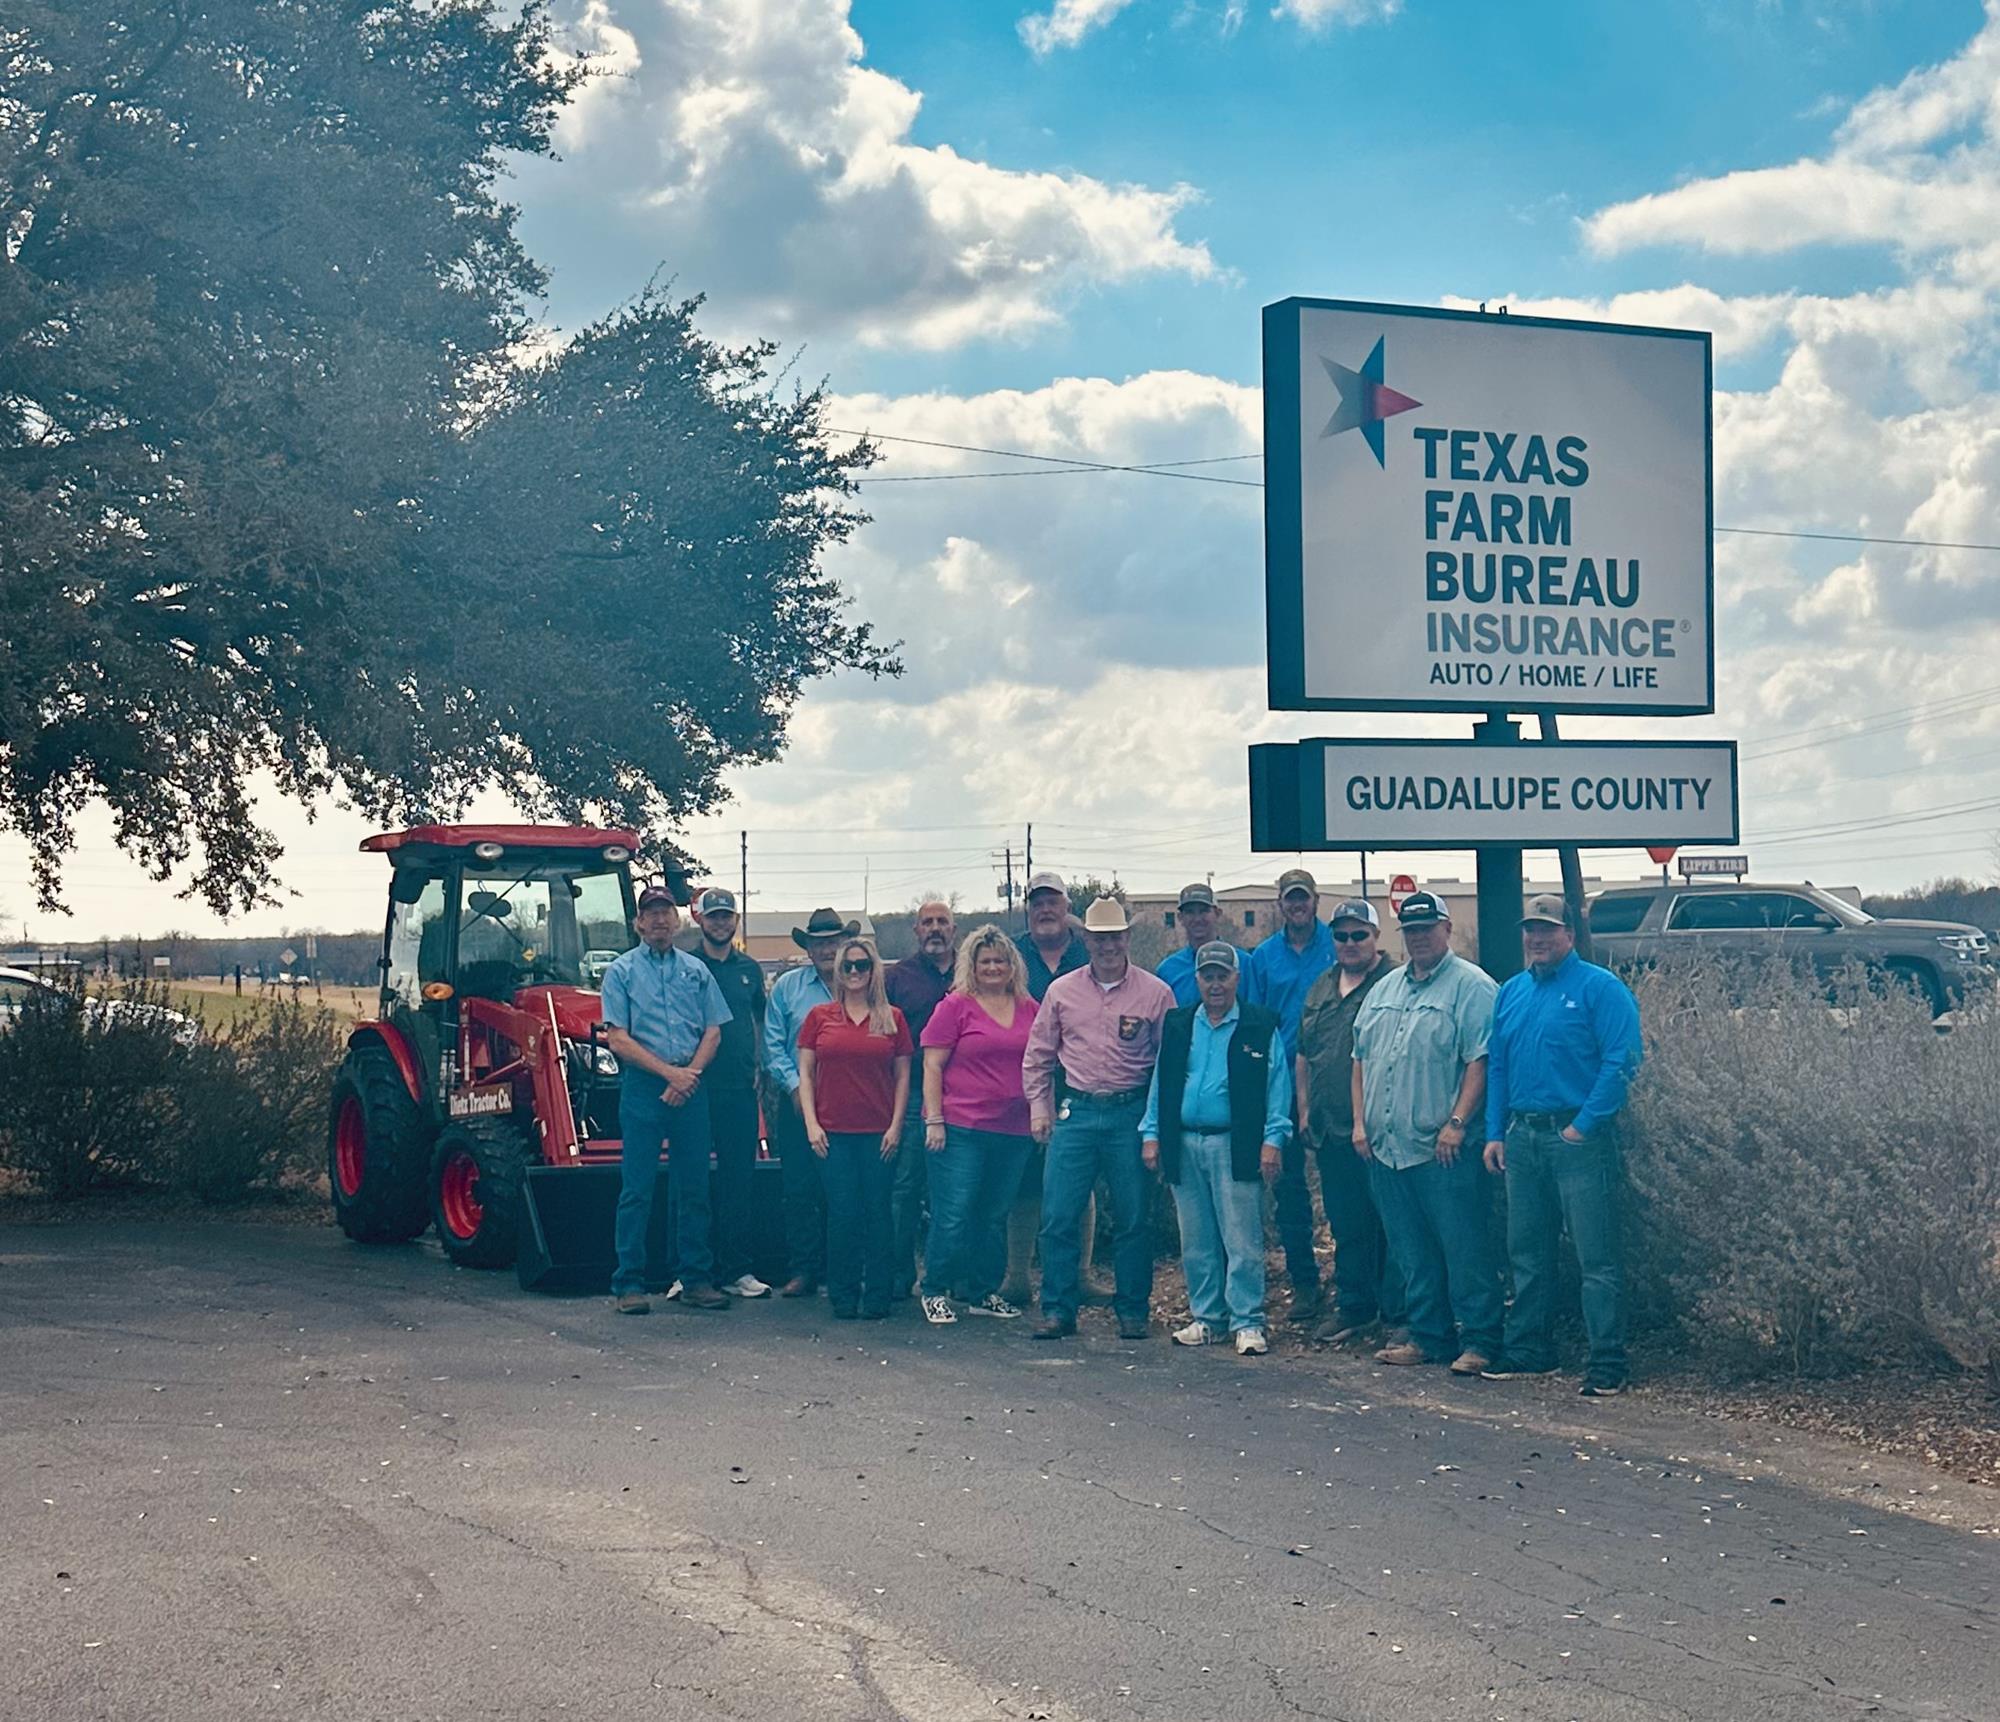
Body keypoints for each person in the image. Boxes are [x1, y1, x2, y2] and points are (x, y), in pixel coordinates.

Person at [1481, 896, 1645, 1397]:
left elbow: (1622, 1060)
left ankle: (1607, 1360)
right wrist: (1494, 1132)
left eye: (1548, 929)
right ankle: (1531, 1350)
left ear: (1570, 934)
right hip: (1523, 1137)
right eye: (1531, 929)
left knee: (1595, 1256)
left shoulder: (1600, 988)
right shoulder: (1512, 991)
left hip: (1577, 1138)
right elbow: (1499, 1067)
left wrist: (1585, 1125)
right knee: (1526, 1251)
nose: (1538, 939)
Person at [1350, 890, 1503, 1374]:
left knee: (1464, 1248)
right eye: (1410, 930)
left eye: (1426, 928)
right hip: (1387, 1148)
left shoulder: (1471, 986)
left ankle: (1480, 1339)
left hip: (1442, 1148)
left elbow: (1480, 1059)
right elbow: (1359, 1059)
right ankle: (1429, 1336)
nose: (1418, 938)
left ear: (1446, 930)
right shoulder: (1385, 988)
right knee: (1411, 1250)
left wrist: (1457, 1123)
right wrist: (1360, 1123)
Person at [1022, 896, 1174, 1341]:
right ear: (1085, 939)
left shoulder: (1156, 993)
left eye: (1115, 937)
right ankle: (1058, 1309)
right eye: (1099, 937)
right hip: (1078, 1112)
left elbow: (1168, 1064)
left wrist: (1155, 1127)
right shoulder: (1061, 991)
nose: (1108, 945)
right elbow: (1038, 1055)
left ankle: (1132, 1310)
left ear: (1127, 937)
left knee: (1132, 1218)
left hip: (1131, 1113)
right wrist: (1040, 1107)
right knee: (1058, 1216)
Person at [1140, 941, 1290, 1356]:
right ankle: (1208, 1319)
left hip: (1235, 1143)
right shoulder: (1178, 1024)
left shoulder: (1259, 1026)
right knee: (1197, 1239)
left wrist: (1273, 1141)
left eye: (1224, 975)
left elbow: (1278, 1090)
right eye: (1208, 976)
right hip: (1183, 1141)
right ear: (1198, 980)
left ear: (1237, 978)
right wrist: (1150, 1133)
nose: (1216, 984)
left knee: (1241, 1239)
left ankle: (1248, 1322)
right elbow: (1161, 1084)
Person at [599, 885, 733, 1315]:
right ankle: (628, 1284)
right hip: (643, 1088)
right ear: (638, 923)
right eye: (651, 914)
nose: (659, 921)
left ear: (678, 921)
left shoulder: (696, 972)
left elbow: (714, 1030)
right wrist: (670, 1074)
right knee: (637, 1188)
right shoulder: (620, 972)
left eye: (666, 913)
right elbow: (617, 1038)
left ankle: (695, 1278)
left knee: (694, 1186)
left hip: (691, 1088)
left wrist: (688, 1075)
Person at [916, 925, 1039, 1325]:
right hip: (960, 1127)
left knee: (993, 1215)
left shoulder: (1028, 1007)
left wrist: (1041, 1111)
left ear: (1012, 965)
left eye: (1000, 960)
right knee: (953, 1213)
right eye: (985, 961)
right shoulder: (955, 1006)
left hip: (1013, 1130)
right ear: (972, 965)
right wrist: (934, 1120)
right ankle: (935, 1289)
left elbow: (1041, 1063)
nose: (993, 967)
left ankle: (982, 1291)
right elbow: (932, 1064)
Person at [1296, 898, 1405, 1347]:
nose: (1349, 943)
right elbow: (1304, 1052)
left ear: (1376, 938)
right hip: (1328, 1129)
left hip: (1377, 1130)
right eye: (1341, 935)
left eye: (1359, 934)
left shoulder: (1395, 982)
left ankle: (1400, 1314)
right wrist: (1303, 1108)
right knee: (1346, 1224)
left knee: (1393, 1225)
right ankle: (1355, 1308)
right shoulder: (1322, 984)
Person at [796, 937, 913, 1320]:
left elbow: (902, 1078)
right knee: (842, 1213)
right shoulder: (819, 1017)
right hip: (833, 1133)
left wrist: (896, 1127)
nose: (854, 973)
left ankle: (878, 1294)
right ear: (839, 972)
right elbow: (807, 1074)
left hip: (879, 1132)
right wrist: (812, 1125)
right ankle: (843, 1294)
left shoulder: (892, 1018)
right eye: (848, 966)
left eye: (862, 965)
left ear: (873, 969)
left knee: (879, 1214)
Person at [1242, 867, 1336, 1326]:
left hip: (1334, 1081)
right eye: (1290, 898)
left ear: (1315, 901)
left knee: (1344, 1186)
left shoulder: (1336, 945)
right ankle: (1305, 1283)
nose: (1297, 905)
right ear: (1280, 903)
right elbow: (1257, 1021)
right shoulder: (1262, 957)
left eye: (1304, 898)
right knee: (1291, 1189)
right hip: (1281, 1084)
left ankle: (1358, 1284)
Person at [1001, 871, 1091, 1305]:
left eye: (1052, 901)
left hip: (1080, 1083)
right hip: (1021, 1083)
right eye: (1037, 903)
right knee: (1023, 1181)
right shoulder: (1012, 955)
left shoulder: (1087, 952)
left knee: (1080, 1182)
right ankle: (1017, 1276)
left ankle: (1083, 1276)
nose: (1045, 910)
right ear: (1028, 910)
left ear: (1067, 907)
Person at [763, 907, 856, 1298]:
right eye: (819, 943)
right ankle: (803, 1269)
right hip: (799, 1103)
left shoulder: (860, 984)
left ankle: (844, 1270)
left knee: (845, 1189)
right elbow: (772, 1045)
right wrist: (795, 1089)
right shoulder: (787, 988)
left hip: (851, 1103)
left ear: (843, 944)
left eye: (833, 941)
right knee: (799, 1187)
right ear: (808, 947)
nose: (826, 949)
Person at [688, 887, 771, 1300]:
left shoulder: (750, 970)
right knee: (694, 1182)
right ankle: (690, 1272)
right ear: (699, 920)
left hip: (740, 1089)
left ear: (735, 920)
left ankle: (737, 1270)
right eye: (713, 916)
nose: (720, 922)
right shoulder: (685, 965)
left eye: (727, 916)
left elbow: (762, 1021)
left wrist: (761, 1066)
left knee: (739, 1181)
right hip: (695, 1088)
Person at [887, 899, 957, 1300]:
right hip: (913, 1094)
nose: (935, 928)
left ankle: (951, 1276)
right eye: (927, 922)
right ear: (916, 931)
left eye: (942, 922)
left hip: (963, 1095)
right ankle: (899, 1276)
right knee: (906, 1189)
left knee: (955, 1191)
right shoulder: (898, 978)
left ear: (954, 929)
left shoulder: (972, 973)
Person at [1155, 882, 1223, 1007]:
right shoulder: (1167, 970)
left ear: (1218, 914)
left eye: (1203, 911)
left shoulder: (1242, 963)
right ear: (1180, 917)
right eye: (1190, 912)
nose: (1197, 919)